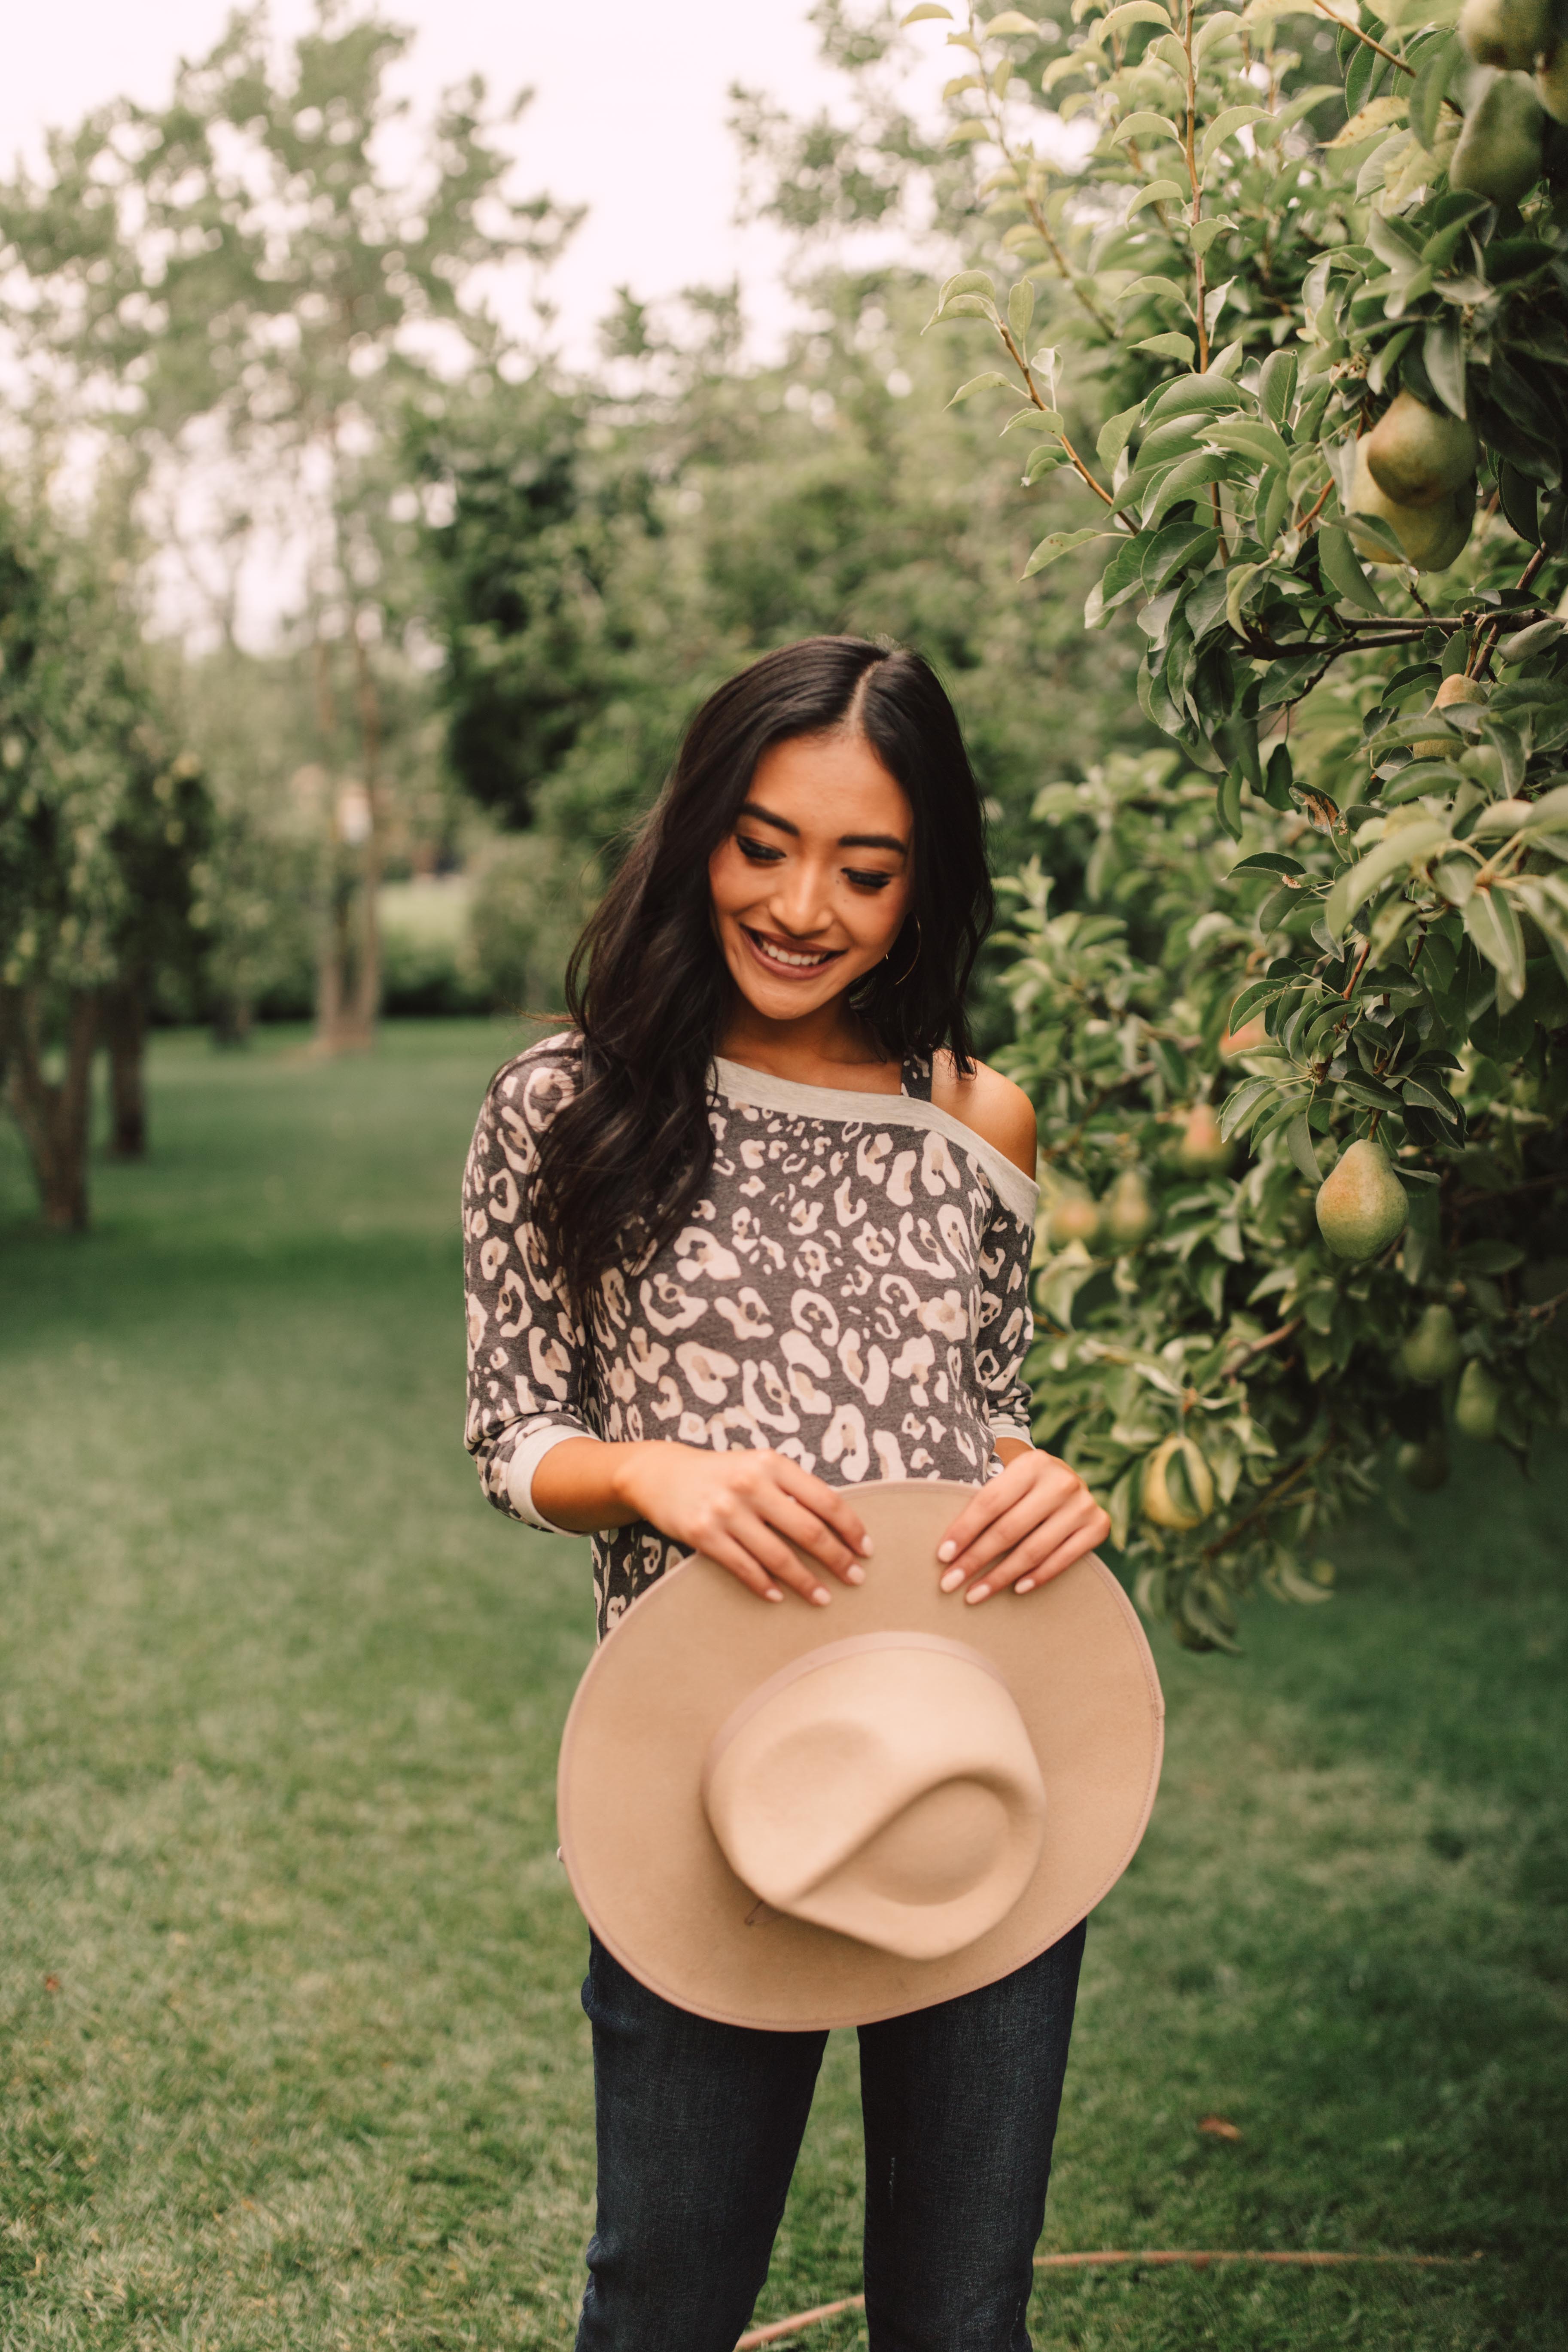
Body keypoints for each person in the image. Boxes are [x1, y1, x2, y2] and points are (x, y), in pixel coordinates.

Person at [462, 636, 1112, 2352]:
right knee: (663, 2301)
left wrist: (1043, 1485)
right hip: (705, 1790)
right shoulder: (566, 1103)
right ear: (697, 833)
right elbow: (510, 1429)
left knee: (962, 2324)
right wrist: (650, 1468)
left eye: (866, 865)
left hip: (972, 1761)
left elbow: (988, 1420)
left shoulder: (983, 1119)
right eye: (765, 841)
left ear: (930, 884)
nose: (803, 902)